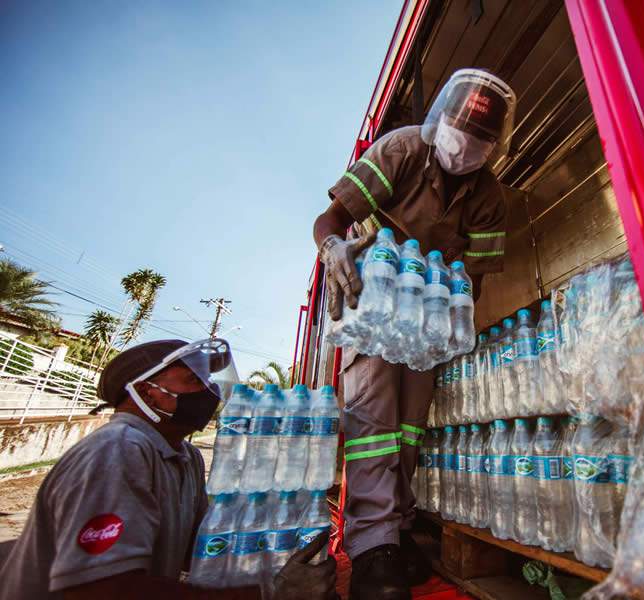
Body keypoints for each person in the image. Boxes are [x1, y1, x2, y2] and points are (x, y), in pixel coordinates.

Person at [314, 68, 516, 600]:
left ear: (492, 147)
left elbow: (474, 280)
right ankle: (371, 544)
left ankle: (396, 528)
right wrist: (333, 248)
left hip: (426, 319)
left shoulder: (489, 197)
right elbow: (330, 218)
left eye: (480, 140)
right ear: (441, 121)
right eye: (460, 130)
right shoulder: (401, 150)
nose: (465, 146)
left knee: (408, 428)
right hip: (372, 298)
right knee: (374, 420)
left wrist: (449, 312)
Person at [0, 338, 336, 600]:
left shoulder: (186, 458)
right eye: (193, 380)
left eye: (208, 380)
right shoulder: (118, 449)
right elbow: (101, 589)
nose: (210, 391)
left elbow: (199, 550)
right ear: (148, 393)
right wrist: (266, 593)